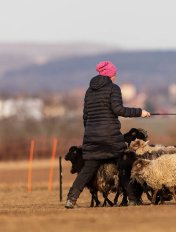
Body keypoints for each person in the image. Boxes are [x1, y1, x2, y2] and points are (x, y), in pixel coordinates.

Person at [65, 61, 151, 208]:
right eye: (114, 74)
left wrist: (92, 134)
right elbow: (119, 110)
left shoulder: (89, 91)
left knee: (87, 170)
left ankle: (71, 199)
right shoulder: (113, 88)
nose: (115, 77)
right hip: (110, 138)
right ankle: (132, 199)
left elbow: (85, 116)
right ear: (110, 74)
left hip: (92, 138)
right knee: (124, 166)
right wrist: (140, 112)